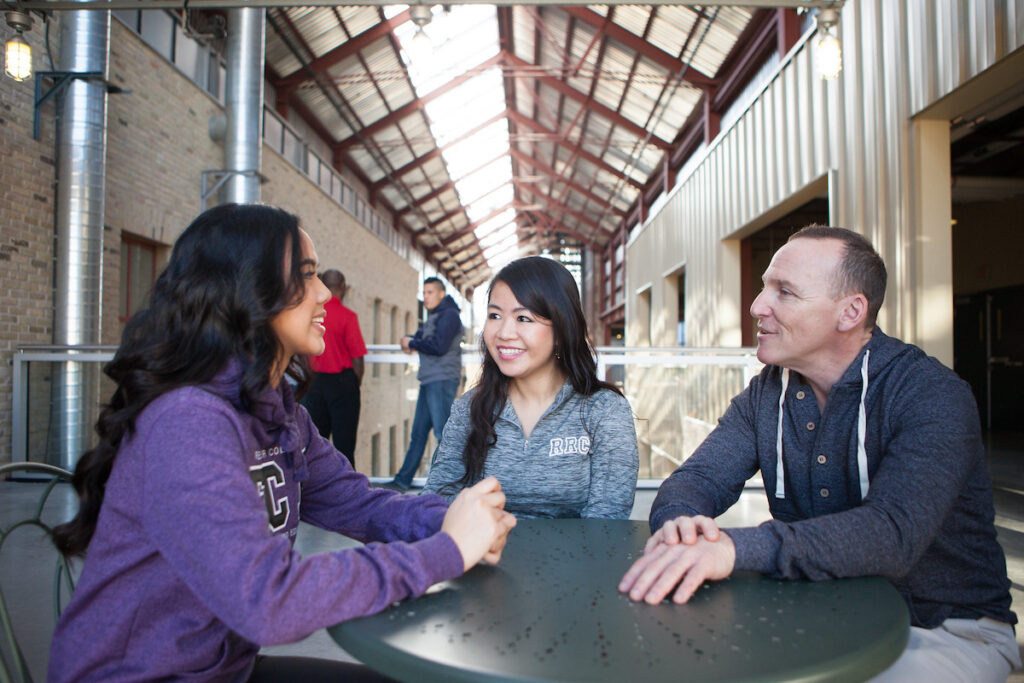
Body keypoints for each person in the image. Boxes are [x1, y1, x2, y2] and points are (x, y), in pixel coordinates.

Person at [48, 204, 516, 682]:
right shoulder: (187, 421)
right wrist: (447, 551)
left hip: (225, 670)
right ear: (247, 289)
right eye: (307, 276)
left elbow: (354, 501)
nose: (324, 295)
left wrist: (456, 522)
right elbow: (268, 601)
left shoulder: (273, 405)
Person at [618, 226, 1019, 681]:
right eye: (765, 286)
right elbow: (699, 479)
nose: (757, 306)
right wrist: (681, 524)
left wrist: (732, 548)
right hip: (816, 605)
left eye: (784, 292)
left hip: (941, 627)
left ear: (850, 312)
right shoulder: (766, 394)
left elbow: (891, 535)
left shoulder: (931, 394)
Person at [423, 256, 639, 518]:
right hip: (484, 555)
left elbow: (608, 519)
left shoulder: (604, 411)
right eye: (495, 315)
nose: (504, 333)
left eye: (523, 318)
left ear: (561, 329)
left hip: (577, 556)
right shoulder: (469, 408)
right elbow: (437, 499)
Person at [389, 277, 464, 490]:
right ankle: (402, 480)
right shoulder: (436, 316)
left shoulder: (449, 315)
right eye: (424, 293)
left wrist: (412, 342)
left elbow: (439, 346)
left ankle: (451, 484)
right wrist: (411, 340)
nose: (426, 297)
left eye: (430, 292)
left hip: (441, 381)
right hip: (430, 379)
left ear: (441, 294)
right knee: (418, 434)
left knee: (443, 435)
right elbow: (422, 338)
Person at [301, 269, 366, 465]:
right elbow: (357, 358)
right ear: (342, 287)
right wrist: (355, 385)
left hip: (314, 384)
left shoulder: (310, 314)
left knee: (314, 446)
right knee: (344, 446)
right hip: (342, 384)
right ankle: (348, 493)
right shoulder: (347, 316)